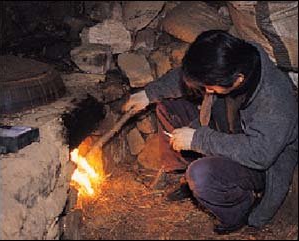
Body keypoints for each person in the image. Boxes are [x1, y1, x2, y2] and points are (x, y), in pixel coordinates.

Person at [122, 30, 298, 234]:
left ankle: (238, 211)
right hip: (227, 131)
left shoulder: (275, 100)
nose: (207, 91)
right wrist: (147, 94)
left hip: (258, 162)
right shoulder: (235, 57)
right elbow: (191, 76)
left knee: (201, 175)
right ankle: (188, 177)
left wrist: (198, 139)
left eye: (211, 88)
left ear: (237, 80)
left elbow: (260, 154)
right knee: (166, 108)